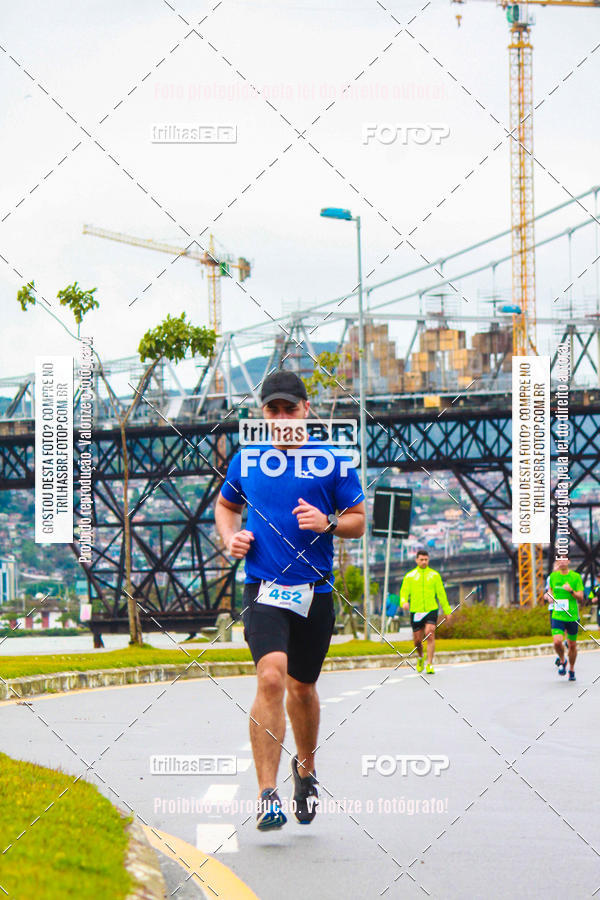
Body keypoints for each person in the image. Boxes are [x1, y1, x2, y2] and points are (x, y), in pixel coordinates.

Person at [215, 370, 365, 830]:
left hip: (315, 592)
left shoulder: (333, 462)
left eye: (289, 409)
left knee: (302, 688)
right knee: (270, 678)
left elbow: (359, 520)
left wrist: (328, 522)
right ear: (263, 414)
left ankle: (306, 767)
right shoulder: (247, 460)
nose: (281, 418)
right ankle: (267, 794)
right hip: (263, 588)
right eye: (272, 410)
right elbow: (226, 507)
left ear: (306, 410)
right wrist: (230, 539)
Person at [400, 549, 452, 674]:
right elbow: (403, 593)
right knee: (417, 641)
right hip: (416, 611)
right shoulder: (410, 576)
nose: (424, 562)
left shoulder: (434, 575)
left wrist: (447, 611)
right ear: (416, 560)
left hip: (431, 609)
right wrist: (404, 602)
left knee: (430, 633)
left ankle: (429, 664)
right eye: (421, 559)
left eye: (426, 560)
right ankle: (420, 657)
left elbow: (441, 594)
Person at [544, 556, 584, 681]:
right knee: (557, 642)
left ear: (568, 561)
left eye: (564, 559)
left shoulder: (576, 577)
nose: (561, 562)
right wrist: (549, 597)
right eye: (559, 560)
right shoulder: (553, 576)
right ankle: (562, 660)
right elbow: (549, 591)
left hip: (572, 616)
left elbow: (581, 597)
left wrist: (571, 591)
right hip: (557, 615)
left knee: (572, 645)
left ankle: (571, 669)